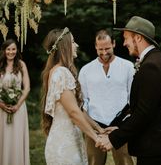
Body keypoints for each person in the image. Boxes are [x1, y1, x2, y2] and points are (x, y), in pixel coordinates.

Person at [96, 16, 161, 165]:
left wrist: (113, 139)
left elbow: (144, 113)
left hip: (155, 146)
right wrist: (119, 127)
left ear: (138, 37)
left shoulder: (151, 66)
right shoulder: (154, 59)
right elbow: (141, 107)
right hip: (156, 144)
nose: (124, 43)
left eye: (126, 38)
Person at [41, 27, 104, 165]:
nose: (76, 45)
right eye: (73, 42)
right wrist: (95, 138)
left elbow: (78, 109)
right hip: (64, 147)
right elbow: (73, 112)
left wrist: (99, 129)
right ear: (64, 47)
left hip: (70, 140)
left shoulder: (57, 71)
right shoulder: (61, 73)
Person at [79, 29, 134, 165]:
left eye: (107, 48)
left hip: (121, 127)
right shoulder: (86, 70)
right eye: (100, 49)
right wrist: (95, 127)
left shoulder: (127, 66)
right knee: (93, 163)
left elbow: (132, 98)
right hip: (94, 127)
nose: (104, 53)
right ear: (95, 46)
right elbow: (83, 101)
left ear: (114, 44)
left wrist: (124, 124)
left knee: (125, 162)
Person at [0, 38, 30, 165]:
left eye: (13, 49)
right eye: (8, 49)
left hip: (19, 108)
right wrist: (1, 104)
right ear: (4, 50)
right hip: (2, 108)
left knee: (17, 137)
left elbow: (27, 87)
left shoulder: (21, 64)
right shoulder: (0, 65)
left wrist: (17, 105)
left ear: (17, 50)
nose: (11, 52)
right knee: (4, 138)